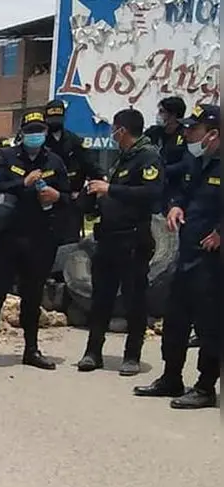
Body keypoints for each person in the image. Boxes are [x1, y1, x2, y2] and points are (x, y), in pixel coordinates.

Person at [134, 104, 221, 410]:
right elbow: (181, 190)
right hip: (187, 255)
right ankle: (171, 377)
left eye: (193, 130)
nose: (186, 134)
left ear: (212, 134)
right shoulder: (195, 161)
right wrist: (175, 205)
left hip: (214, 263)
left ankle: (205, 386)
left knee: (210, 326)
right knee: (175, 320)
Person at [0, 110, 72, 371]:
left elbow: (69, 197)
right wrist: (22, 183)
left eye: (39, 131)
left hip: (40, 238)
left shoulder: (55, 162)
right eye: (30, 131)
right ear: (22, 134)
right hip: (7, 237)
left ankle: (31, 349)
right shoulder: (5, 158)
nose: (35, 135)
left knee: (32, 296)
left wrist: (57, 196)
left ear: (46, 133)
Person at [76, 108, 162, 376]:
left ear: (121, 130)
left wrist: (110, 189)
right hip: (109, 239)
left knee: (134, 299)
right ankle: (93, 352)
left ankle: (132, 356)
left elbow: (151, 193)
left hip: (133, 239)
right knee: (101, 297)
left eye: (114, 129)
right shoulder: (122, 159)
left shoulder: (148, 157)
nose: (112, 134)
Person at [42, 99, 104, 244]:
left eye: (58, 118)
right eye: (51, 119)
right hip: (47, 198)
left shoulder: (73, 140)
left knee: (69, 242)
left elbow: (89, 163)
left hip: (70, 199)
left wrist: (102, 178)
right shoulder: (41, 141)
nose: (54, 122)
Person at [143, 96, 189, 214]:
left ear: (173, 115)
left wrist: (163, 170)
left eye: (162, 112)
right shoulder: (153, 132)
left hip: (173, 187)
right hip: (151, 184)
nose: (158, 115)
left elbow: (186, 163)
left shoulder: (185, 135)